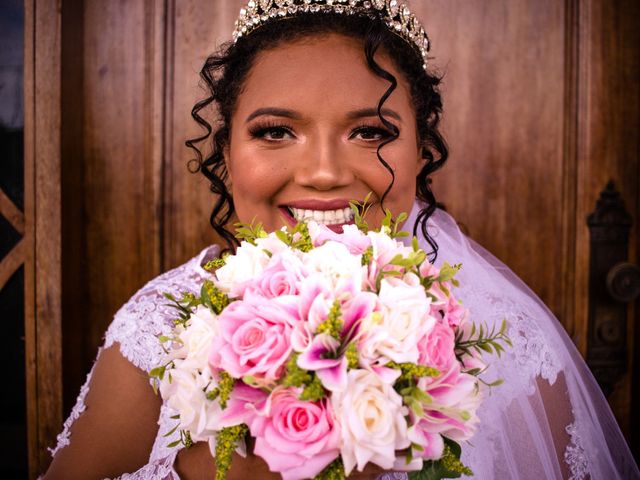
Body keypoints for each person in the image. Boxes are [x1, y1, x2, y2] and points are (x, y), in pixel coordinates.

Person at [44, 1, 639, 479]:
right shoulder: (159, 327)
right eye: (276, 131)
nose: (325, 172)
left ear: (420, 153)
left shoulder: (510, 344)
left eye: (368, 131)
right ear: (225, 155)